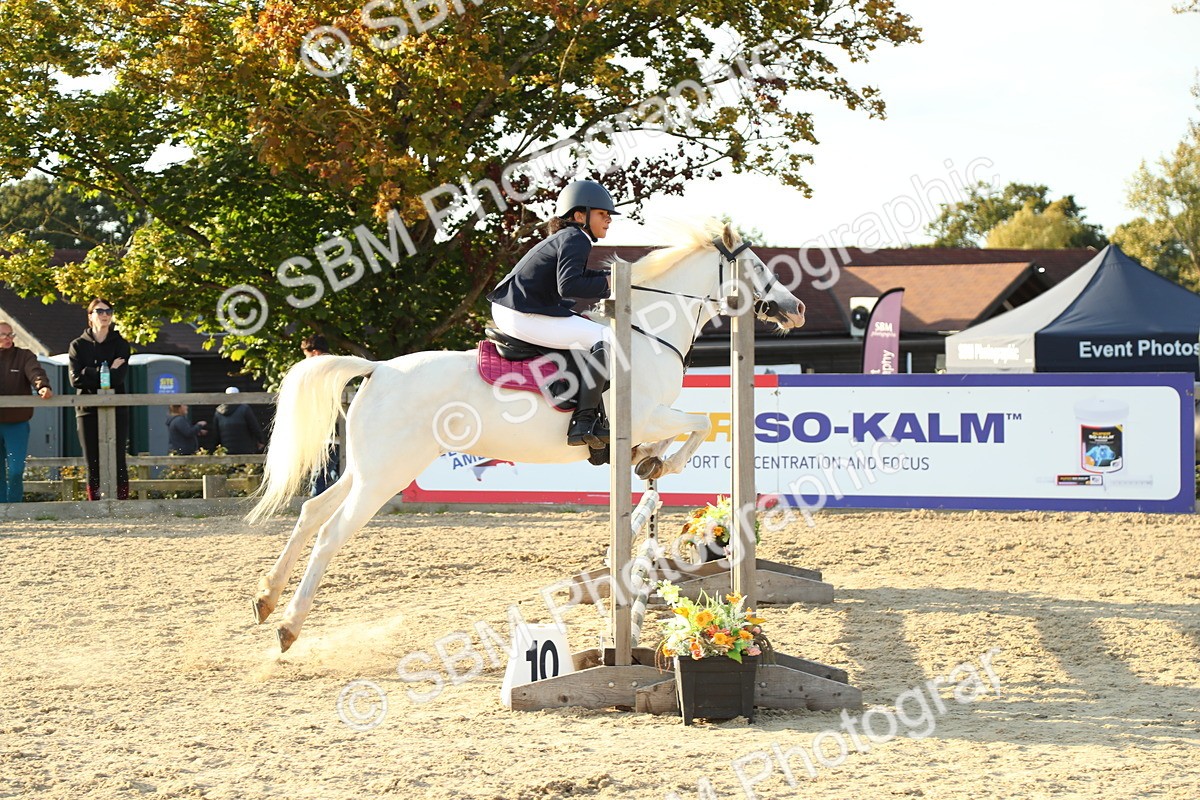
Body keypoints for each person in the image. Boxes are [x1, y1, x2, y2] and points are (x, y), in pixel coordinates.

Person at [487, 179, 618, 448]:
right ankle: (584, 421)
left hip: (517, 309)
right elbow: (569, 285)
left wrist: (611, 277)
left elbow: (579, 278)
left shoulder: (570, 237)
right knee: (606, 337)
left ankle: (591, 414)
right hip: (520, 314)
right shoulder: (576, 238)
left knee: (594, 334)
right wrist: (608, 283)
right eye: (603, 214)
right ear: (580, 216)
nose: (608, 220)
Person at [68, 298, 131, 500]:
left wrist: (89, 372)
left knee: (118, 457)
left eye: (108, 311)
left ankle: (121, 502)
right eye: (100, 311)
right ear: (90, 316)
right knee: (92, 460)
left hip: (117, 407)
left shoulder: (120, 344)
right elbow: (76, 380)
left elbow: (117, 379)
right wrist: (106, 370)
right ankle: (94, 502)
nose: (105, 315)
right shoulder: (77, 345)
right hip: (87, 408)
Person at [0, 321, 54, 503]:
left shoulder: (24, 356)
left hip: (17, 423)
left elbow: (35, 373)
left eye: (11, 334)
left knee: (15, 469)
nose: (8, 338)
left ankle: (14, 506)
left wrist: (42, 387)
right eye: (4, 335)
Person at [301, 334, 340, 496]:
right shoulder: (338, 368)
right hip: (335, 431)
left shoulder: (320, 372)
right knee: (331, 472)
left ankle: (315, 507)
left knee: (319, 475)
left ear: (315, 352)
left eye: (307, 356)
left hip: (330, 431)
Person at [210, 387, 265, 455]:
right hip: (245, 449)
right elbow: (254, 426)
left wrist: (215, 450)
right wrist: (261, 440)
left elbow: (216, 434)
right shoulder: (245, 409)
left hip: (226, 450)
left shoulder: (218, 412)